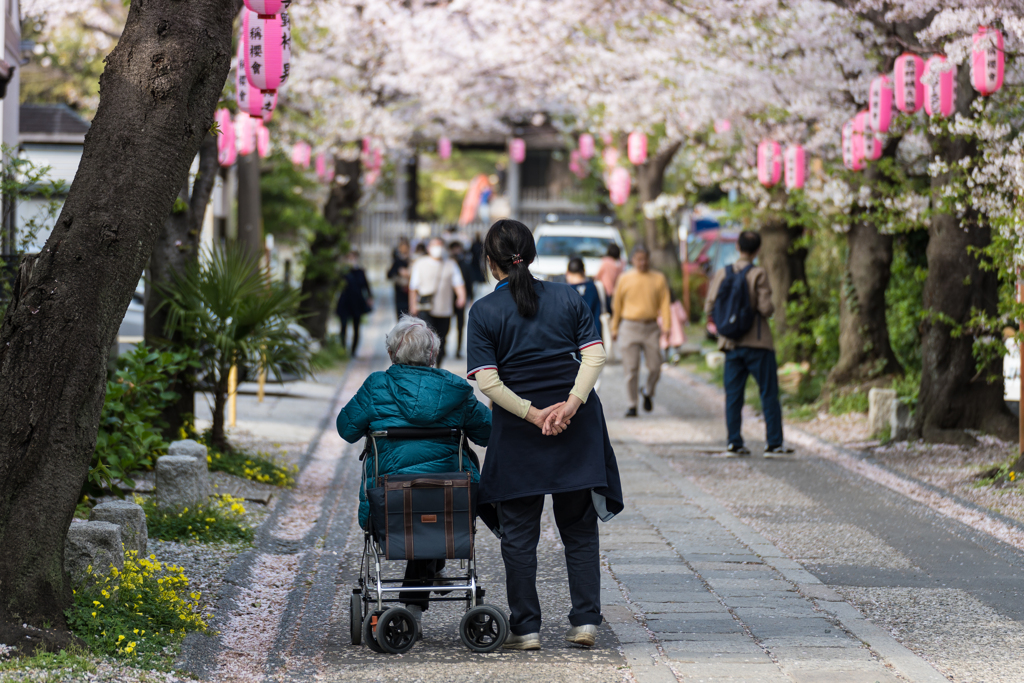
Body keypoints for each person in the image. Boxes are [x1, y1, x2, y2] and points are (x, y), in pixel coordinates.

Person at [467, 219, 623, 651]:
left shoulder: (483, 312)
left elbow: (488, 382)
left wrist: (534, 415)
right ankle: (585, 622)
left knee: (519, 535)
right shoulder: (568, 296)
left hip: (520, 434)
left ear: (490, 262)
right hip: (577, 429)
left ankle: (527, 628)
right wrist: (571, 405)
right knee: (579, 529)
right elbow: (595, 355)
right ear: (530, 255)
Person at [336, 315, 491, 631]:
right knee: (434, 506)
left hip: (388, 504)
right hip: (451, 504)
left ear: (392, 354)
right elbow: (489, 434)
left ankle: (415, 602)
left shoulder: (376, 386)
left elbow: (346, 429)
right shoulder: (456, 391)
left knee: (410, 504)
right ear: (433, 354)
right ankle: (421, 592)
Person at [704, 230, 793, 457]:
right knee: (768, 393)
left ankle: (734, 442)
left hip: (730, 344)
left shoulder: (723, 273)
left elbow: (709, 306)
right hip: (758, 344)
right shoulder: (758, 274)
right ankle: (773, 443)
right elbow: (765, 308)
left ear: (737, 247)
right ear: (758, 250)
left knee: (734, 396)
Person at [611, 246, 671, 418]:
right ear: (632, 260)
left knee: (655, 366)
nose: (642, 262)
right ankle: (632, 404)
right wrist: (614, 327)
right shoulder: (624, 278)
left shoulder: (658, 278)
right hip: (629, 326)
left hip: (651, 327)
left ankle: (648, 390)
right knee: (631, 368)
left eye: (645, 258)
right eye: (638, 259)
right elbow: (617, 305)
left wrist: (667, 326)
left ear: (649, 259)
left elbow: (665, 303)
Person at [410, 237, 467, 367]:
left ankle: (438, 364)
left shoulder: (451, 264)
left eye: (440, 245)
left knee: (442, 338)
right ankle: (426, 365)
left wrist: (461, 297)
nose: (437, 249)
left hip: (444, 308)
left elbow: (458, 283)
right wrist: (413, 305)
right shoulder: (420, 263)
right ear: (428, 247)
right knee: (427, 338)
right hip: (425, 308)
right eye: (434, 245)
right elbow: (413, 287)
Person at [336, 250, 373, 356]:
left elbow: (366, 285)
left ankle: (353, 350)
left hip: (357, 302)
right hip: (345, 301)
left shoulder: (360, 271)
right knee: (343, 325)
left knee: (356, 326)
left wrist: (369, 298)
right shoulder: (343, 272)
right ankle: (342, 348)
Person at [449, 241, 480, 359]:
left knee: (460, 326)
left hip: (461, 300)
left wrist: (470, 297)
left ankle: (458, 349)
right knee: (445, 325)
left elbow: (470, 282)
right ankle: (443, 347)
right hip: (447, 300)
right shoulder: (448, 264)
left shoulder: (466, 265)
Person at [565, 257, 602, 326]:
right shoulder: (593, 288)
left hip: (572, 334)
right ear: (584, 271)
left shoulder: (566, 291)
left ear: (567, 273)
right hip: (592, 332)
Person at [387, 237, 412, 320]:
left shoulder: (412, 260)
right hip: (400, 291)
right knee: (400, 316)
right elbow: (389, 275)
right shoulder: (397, 261)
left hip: (411, 292)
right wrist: (399, 271)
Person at [594, 243, 623, 314]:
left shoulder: (606, 262)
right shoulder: (621, 263)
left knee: (607, 309)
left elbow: (598, 275)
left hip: (606, 290)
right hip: (617, 290)